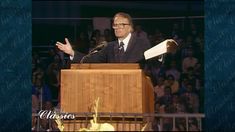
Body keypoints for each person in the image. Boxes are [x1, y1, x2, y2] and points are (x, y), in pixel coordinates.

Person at [56, 12, 151, 63]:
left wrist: (160, 54)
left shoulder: (141, 43)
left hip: (136, 88)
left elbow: (152, 60)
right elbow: (91, 59)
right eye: (115, 25)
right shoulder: (109, 47)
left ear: (130, 27)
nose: (117, 27)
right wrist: (72, 52)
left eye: (121, 24)